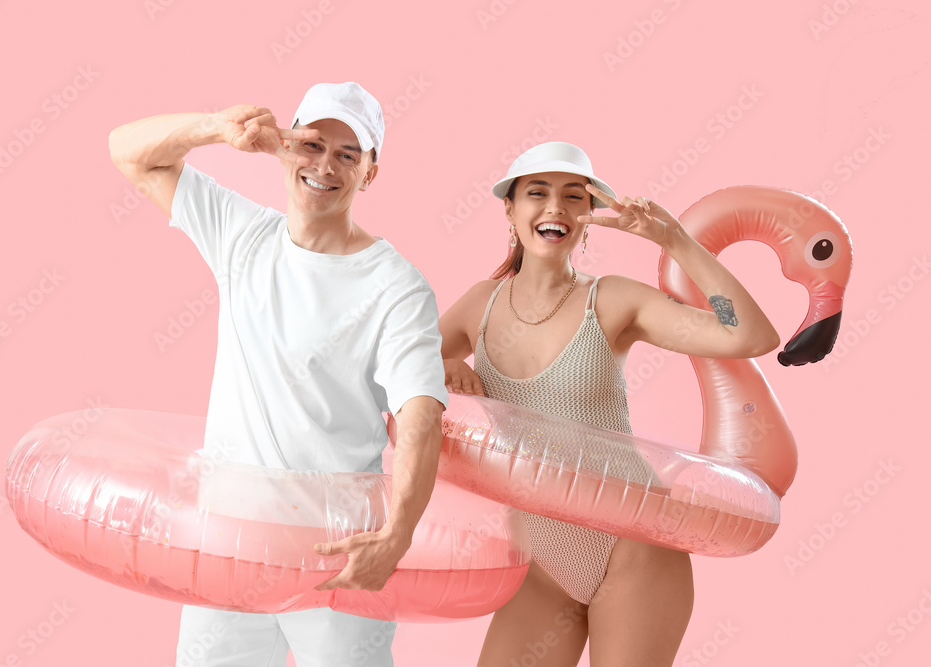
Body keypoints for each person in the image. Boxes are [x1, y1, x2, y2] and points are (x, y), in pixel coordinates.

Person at [108, 82, 448, 667]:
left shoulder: (396, 286)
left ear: (370, 173)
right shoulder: (244, 234)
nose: (325, 165)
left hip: (335, 553)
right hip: (228, 543)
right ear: (286, 148)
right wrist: (217, 126)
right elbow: (128, 151)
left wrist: (397, 535)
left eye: (348, 154)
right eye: (312, 144)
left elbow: (420, 415)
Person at [437, 141, 780, 666]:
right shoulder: (478, 307)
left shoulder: (613, 299)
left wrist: (675, 241)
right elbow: (387, 368)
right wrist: (440, 367)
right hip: (539, 560)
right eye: (537, 193)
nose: (555, 208)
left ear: (588, 216)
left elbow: (749, 336)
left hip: (634, 547)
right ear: (510, 208)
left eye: (574, 197)